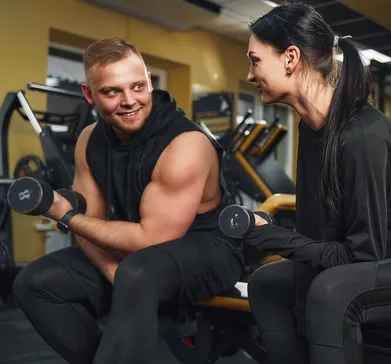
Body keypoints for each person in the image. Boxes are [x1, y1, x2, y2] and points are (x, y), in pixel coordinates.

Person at [240, 2, 391, 364]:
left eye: (255, 60)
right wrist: (271, 235)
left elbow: (361, 257)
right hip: (379, 265)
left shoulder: (362, 134)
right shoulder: (311, 127)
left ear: (290, 58)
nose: (249, 74)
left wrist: (273, 238)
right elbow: (320, 232)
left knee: (330, 291)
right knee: (266, 283)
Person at [12, 37, 245, 364]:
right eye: (112, 91)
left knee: (138, 273)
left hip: (208, 249)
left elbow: (152, 239)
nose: (129, 101)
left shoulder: (185, 144)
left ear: (149, 80)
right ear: (89, 94)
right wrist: (112, 270)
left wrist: (66, 215)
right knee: (33, 283)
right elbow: (90, 225)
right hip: (136, 256)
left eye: (137, 86)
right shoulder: (88, 139)